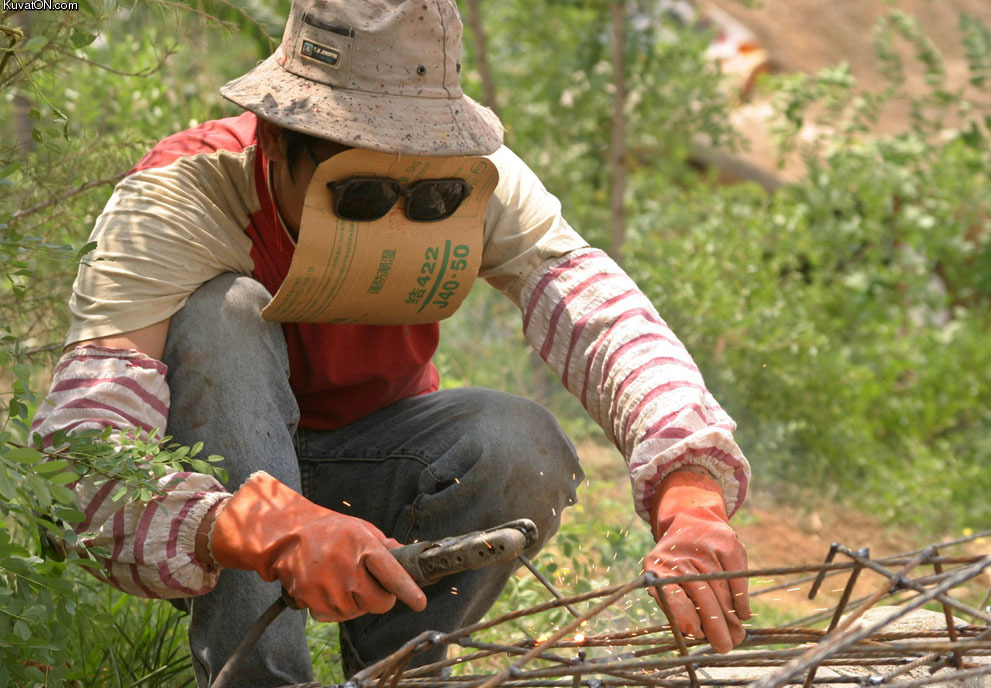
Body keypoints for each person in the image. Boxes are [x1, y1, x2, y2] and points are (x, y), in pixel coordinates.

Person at [32, 1, 752, 685]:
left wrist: (690, 493)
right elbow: (79, 463)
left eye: (430, 194)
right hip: (219, 479)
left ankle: (402, 672)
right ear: (277, 141)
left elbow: (602, 319)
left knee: (516, 440)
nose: (399, 217)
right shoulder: (177, 201)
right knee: (226, 312)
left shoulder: (478, 180)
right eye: (364, 194)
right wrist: (252, 526)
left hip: (370, 468)